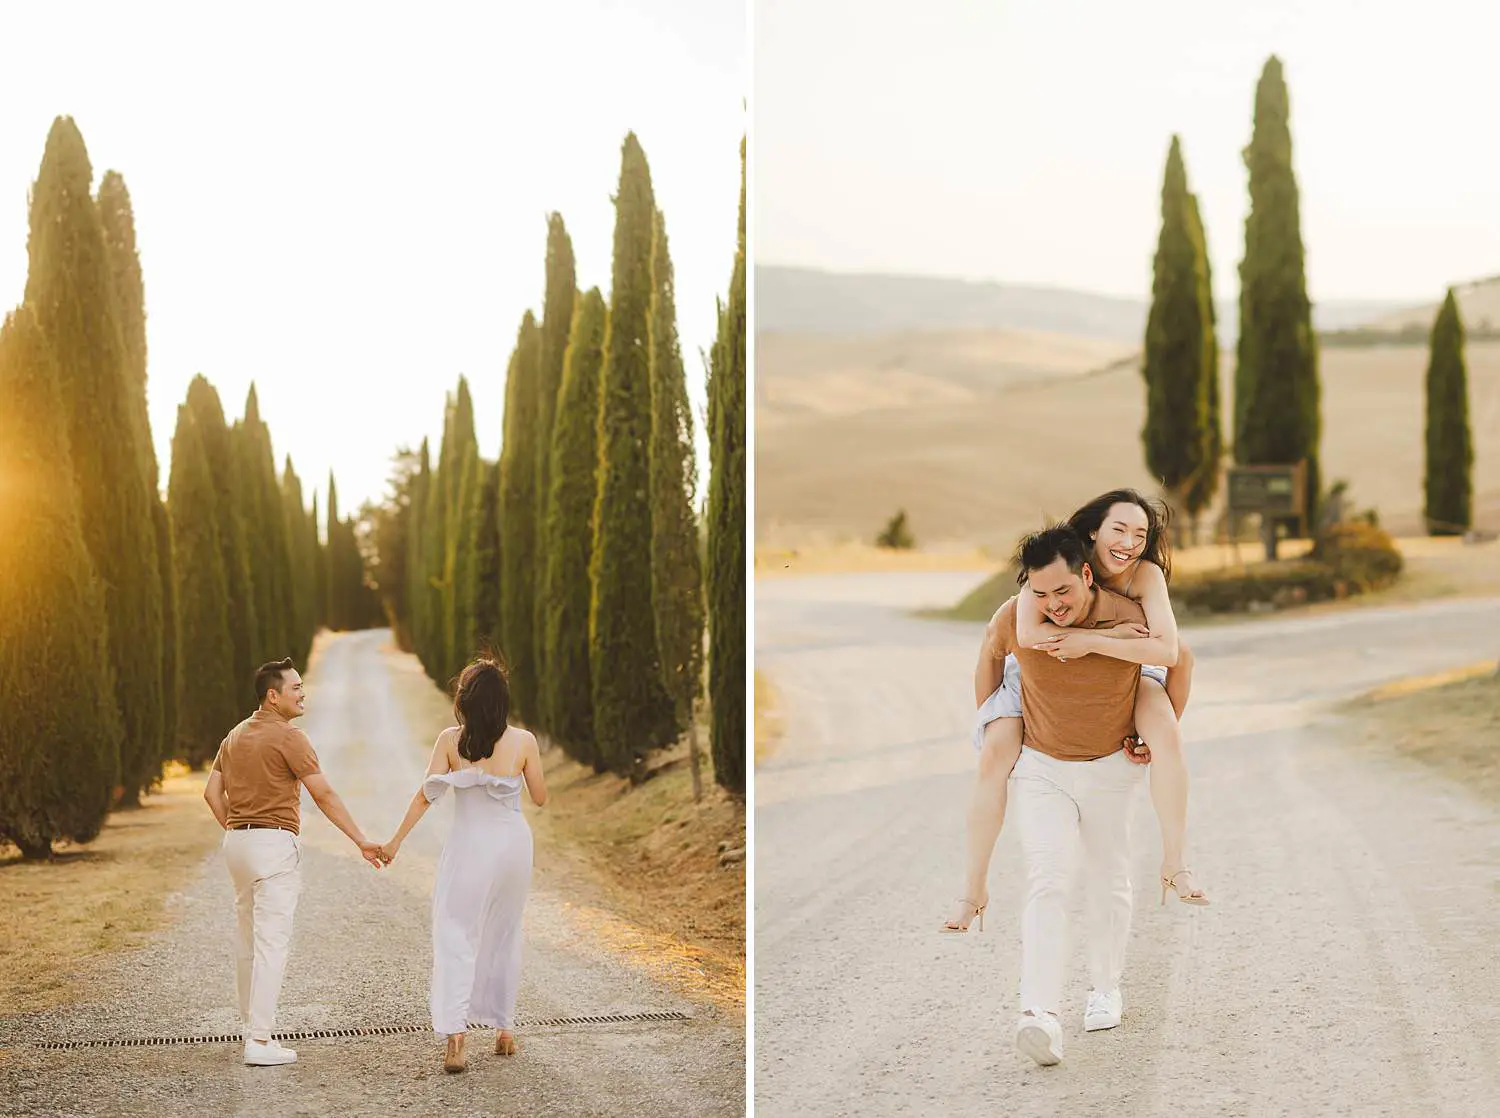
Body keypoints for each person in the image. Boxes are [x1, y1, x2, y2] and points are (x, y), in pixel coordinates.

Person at [943, 489, 1205, 935]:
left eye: (1140, 533)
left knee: (1166, 735)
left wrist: (1102, 640)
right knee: (993, 756)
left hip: (1123, 672)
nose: (1129, 542)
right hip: (1035, 679)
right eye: (1118, 529)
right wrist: (988, 717)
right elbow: (1022, 635)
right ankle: (974, 890)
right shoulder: (1055, 565)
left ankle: (1175, 862)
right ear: (1092, 532)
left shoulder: (1144, 576)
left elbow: (1172, 651)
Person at [985, 526, 1151, 1065]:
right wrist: (994, 719)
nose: (1053, 605)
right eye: (1040, 594)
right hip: (1042, 769)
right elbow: (990, 653)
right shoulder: (1017, 615)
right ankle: (1039, 1014)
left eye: (1063, 591)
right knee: (1048, 878)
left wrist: (1154, 732)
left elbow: (1177, 658)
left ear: (1085, 574)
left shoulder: (1128, 616)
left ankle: (1105, 987)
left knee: (1109, 876)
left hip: (1110, 766)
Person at [203, 657, 387, 1067]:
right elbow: (324, 795)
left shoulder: (232, 736)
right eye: (296, 688)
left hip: (237, 843)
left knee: (248, 940)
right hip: (273, 846)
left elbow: (211, 794)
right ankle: (261, 1041)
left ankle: (250, 1026)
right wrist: (360, 840)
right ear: (273, 696)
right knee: (272, 944)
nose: (303, 693)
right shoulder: (290, 737)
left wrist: (235, 828)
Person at [379, 657, 548, 1074]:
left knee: (455, 932)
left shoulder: (449, 742)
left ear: (464, 702)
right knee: (504, 931)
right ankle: (504, 1030)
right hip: (512, 846)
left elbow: (425, 796)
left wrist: (395, 841)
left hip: (469, 846)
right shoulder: (524, 741)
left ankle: (456, 1037)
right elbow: (540, 797)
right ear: (502, 701)